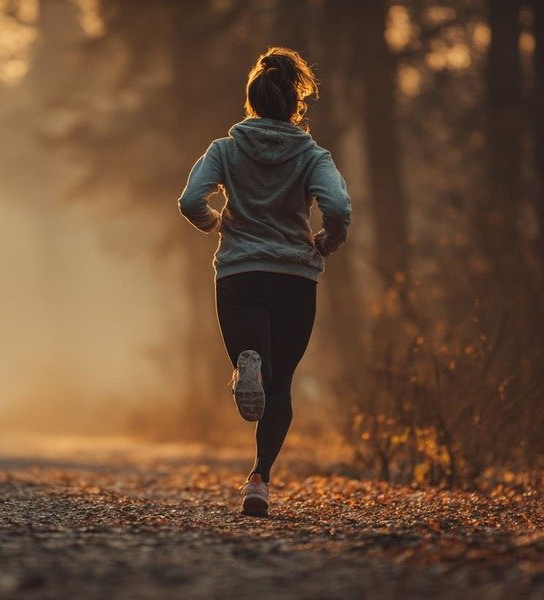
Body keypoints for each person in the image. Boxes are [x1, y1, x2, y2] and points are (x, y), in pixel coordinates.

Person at [177, 47, 352, 516]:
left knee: (254, 364)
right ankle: (259, 480)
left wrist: (215, 222)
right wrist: (327, 241)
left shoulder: (225, 150)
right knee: (281, 387)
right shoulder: (313, 155)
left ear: (252, 100)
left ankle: (246, 363)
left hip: (240, 273)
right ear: (295, 103)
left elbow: (190, 199)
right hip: (294, 276)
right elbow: (338, 208)